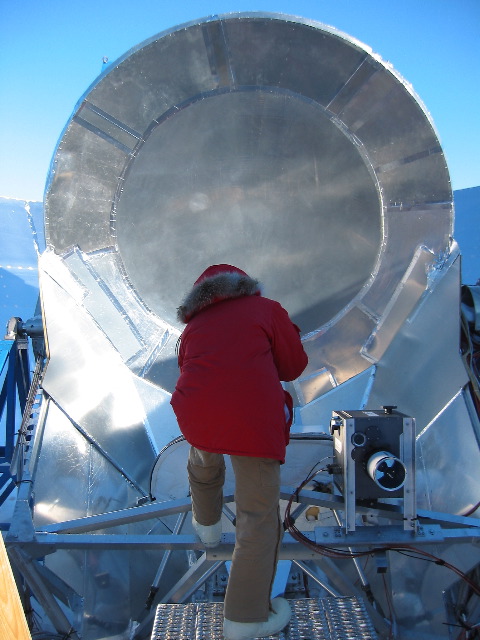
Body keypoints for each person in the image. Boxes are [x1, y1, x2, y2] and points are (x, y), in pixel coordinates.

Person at [171, 264, 308, 640]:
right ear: (244, 286)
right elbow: (294, 366)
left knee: (203, 458)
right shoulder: (266, 310)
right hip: (252, 422)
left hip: (196, 412)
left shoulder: (192, 327)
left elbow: (191, 370)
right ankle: (245, 621)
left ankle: (208, 526)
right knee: (258, 518)